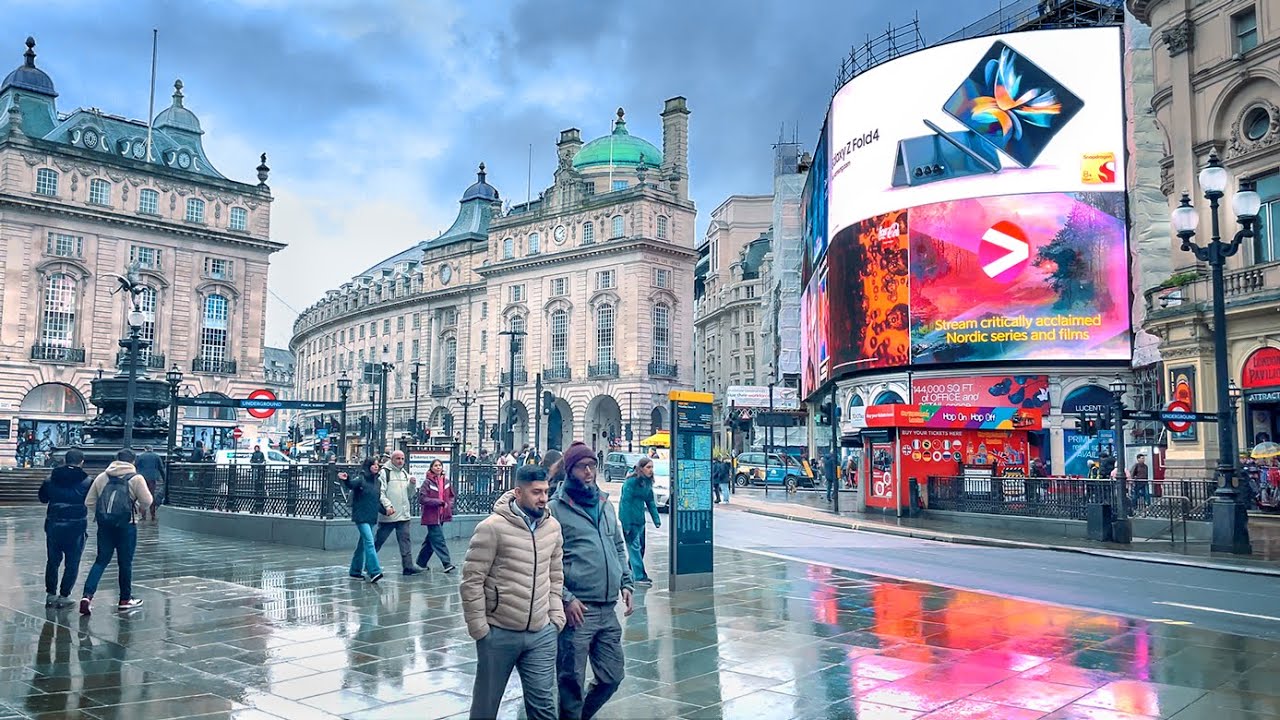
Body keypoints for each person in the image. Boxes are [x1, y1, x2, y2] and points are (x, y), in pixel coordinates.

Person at [461, 464, 565, 720]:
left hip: (541, 632)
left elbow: (555, 575)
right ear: (518, 492)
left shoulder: (552, 527)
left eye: (546, 491)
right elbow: (471, 580)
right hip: (499, 631)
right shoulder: (492, 527)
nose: (543, 499)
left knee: (543, 706)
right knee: (486, 706)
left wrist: (555, 618)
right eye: (536, 492)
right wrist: (480, 629)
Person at [547, 441, 633, 720]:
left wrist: (627, 581)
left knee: (612, 677)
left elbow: (618, 545)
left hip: (608, 608)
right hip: (578, 610)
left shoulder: (604, 503)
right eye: (583, 467)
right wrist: (566, 598)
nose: (589, 472)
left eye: (592, 466)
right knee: (570, 682)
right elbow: (545, 563)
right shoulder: (555, 510)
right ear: (570, 470)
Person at [80, 448, 154, 614]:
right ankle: (125, 599)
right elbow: (148, 501)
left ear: (115, 460)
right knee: (125, 563)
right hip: (127, 525)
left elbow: (89, 502)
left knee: (100, 561)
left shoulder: (102, 477)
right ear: (133, 461)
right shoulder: (136, 478)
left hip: (105, 526)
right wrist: (137, 511)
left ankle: (87, 595)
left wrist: (104, 515)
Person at [39, 448, 92, 608]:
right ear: (81, 462)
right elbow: (91, 501)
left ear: (65, 460)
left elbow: (42, 498)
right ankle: (64, 595)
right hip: (76, 525)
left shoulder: (50, 479)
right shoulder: (87, 481)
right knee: (73, 562)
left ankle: (50, 594)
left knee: (53, 561)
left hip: (54, 524)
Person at [346, 457, 392, 583]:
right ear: (368, 466)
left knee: (362, 545)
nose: (376, 467)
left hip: (371, 516)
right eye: (373, 465)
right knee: (370, 542)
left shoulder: (377, 482)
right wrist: (345, 479)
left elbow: (376, 501)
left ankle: (355, 571)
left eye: (377, 465)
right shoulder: (361, 479)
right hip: (361, 516)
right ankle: (374, 571)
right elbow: (351, 484)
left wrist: (385, 511)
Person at [375, 450, 420, 575]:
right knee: (378, 540)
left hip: (403, 515)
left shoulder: (404, 474)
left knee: (405, 541)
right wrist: (387, 506)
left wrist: (412, 485)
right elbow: (381, 492)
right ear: (392, 459)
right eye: (398, 459)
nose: (400, 461)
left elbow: (410, 494)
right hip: (389, 515)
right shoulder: (385, 472)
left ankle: (408, 566)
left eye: (402, 459)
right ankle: (369, 563)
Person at [619, 458, 660, 587]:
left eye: (652, 467)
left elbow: (650, 502)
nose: (651, 470)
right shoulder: (631, 482)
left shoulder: (647, 483)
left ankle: (628, 573)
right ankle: (639, 576)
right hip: (630, 520)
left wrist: (656, 520)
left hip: (640, 521)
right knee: (634, 548)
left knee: (640, 548)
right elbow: (624, 503)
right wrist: (626, 524)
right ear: (641, 468)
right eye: (648, 467)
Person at [417, 458, 456, 573]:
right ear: (431, 468)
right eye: (436, 466)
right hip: (431, 516)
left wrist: (449, 505)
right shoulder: (427, 482)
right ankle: (447, 563)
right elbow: (422, 498)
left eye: (440, 465)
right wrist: (438, 502)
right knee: (439, 539)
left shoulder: (446, 481)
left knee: (430, 540)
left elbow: (451, 496)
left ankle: (421, 563)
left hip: (442, 515)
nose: (438, 467)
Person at [134, 445, 165, 520]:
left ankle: (143, 515)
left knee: (142, 495)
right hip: (152, 479)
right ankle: (153, 514)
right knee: (151, 495)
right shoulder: (156, 456)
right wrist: (164, 478)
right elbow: (161, 468)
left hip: (142, 478)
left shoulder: (141, 456)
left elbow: (135, 466)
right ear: (152, 449)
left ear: (145, 449)